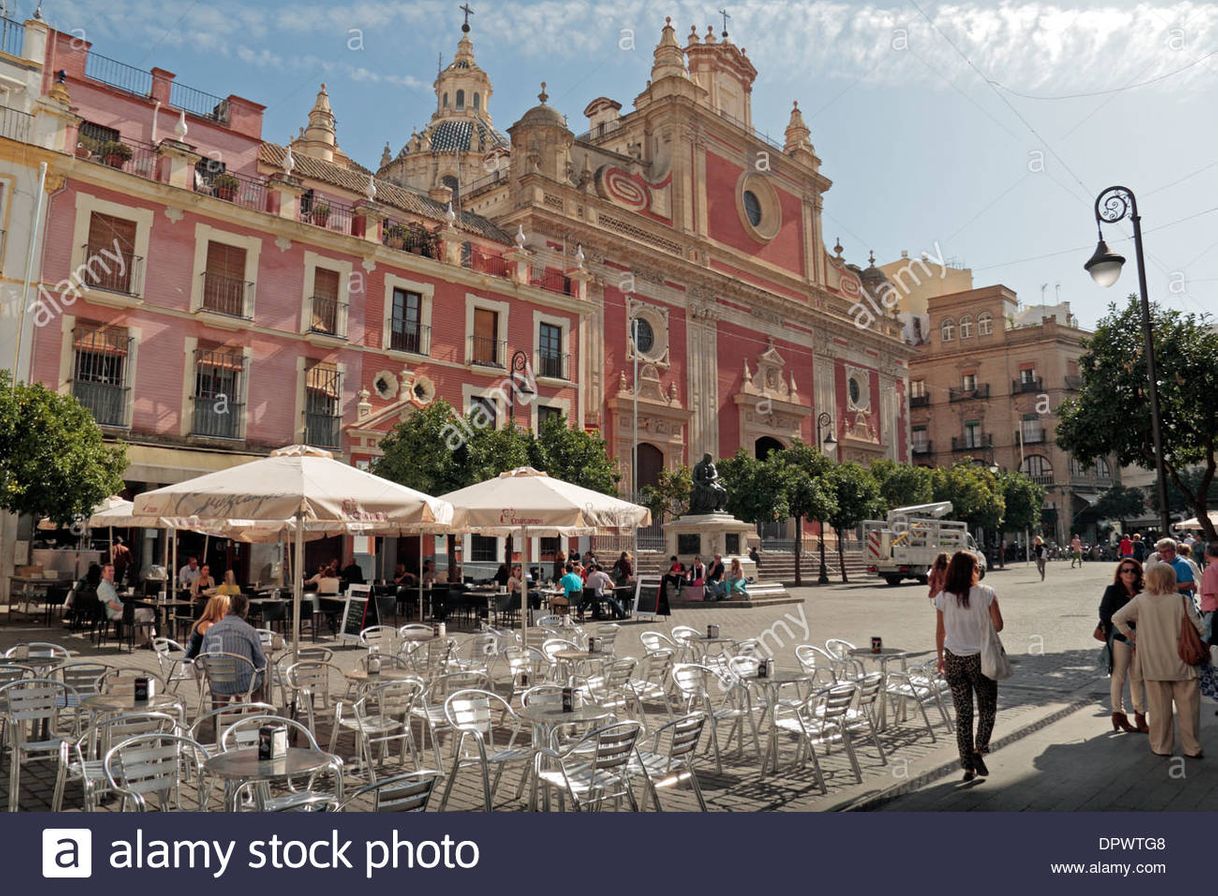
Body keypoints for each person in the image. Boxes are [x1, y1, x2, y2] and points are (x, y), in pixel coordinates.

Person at [1112, 564, 1204, 758]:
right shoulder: (1182, 601)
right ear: (1172, 579)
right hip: (1184, 663)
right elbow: (1201, 629)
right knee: (1189, 711)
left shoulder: (1141, 601)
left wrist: (1132, 635)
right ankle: (1192, 748)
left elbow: (1117, 618)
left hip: (1154, 665)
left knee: (1159, 711)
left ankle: (1162, 746)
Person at [934, 550, 1003, 782]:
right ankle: (978, 749)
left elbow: (940, 631)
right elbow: (999, 625)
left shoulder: (943, 597)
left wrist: (940, 658)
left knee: (963, 714)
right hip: (979, 658)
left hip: (953, 657)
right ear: (974, 570)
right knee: (987, 707)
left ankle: (967, 767)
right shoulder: (986, 593)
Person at [1099, 560, 1147, 734]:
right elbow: (1104, 613)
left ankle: (1140, 715)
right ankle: (1118, 713)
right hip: (1120, 637)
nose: (1129, 574)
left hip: (1141, 638)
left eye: (1133, 571)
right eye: (1125, 570)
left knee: (1137, 676)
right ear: (1119, 573)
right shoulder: (1113, 590)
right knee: (1119, 676)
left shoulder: (1143, 591)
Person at [201, 594, 267, 699]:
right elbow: (261, 662)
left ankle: (222, 710)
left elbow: (203, 657)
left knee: (222, 677)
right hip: (245, 684)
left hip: (217, 684)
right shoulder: (250, 631)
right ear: (246, 610)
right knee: (260, 677)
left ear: (228, 608)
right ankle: (255, 710)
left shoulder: (211, 631)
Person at [100, 563, 155, 647]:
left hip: (119, 611)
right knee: (145, 611)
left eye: (112, 571)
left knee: (150, 610)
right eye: (109, 571)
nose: (112, 573)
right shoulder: (103, 587)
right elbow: (111, 605)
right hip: (115, 613)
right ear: (103, 573)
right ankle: (151, 640)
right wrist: (125, 608)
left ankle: (151, 639)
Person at [185, 594, 231, 660]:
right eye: (227, 607)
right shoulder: (207, 625)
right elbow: (216, 641)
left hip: (203, 663)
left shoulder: (215, 624)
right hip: (195, 665)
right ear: (219, 609)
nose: (230, 611)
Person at [1202, 543, 1218, 646]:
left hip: (1213, 610)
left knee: (1207, 642)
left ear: (1207, 553)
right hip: (1214, 609)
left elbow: (1215, 592)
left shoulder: (1211, 569)